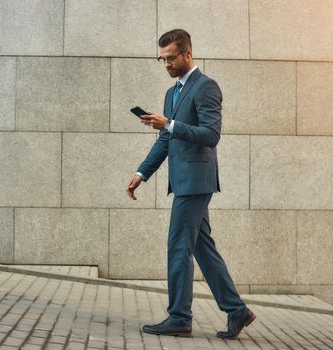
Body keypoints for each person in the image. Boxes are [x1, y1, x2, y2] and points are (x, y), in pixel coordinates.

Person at [125, 29, 255, 340]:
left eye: (171, 57)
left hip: (197, 181)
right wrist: (142, 173)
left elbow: (211, 135)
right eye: (162, 59)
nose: (167, 64)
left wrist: (168, 123)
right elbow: (166, 140)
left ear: (187, 53)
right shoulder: (172, 93)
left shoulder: (206, 87)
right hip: (182, 180)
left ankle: (179, 317)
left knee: (178, 246)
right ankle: (237, 311)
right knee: (202, 248)